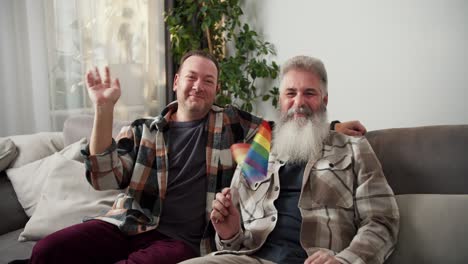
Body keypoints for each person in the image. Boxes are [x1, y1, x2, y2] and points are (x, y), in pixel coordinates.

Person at [27, 51, 366, 264]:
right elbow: (102, 176)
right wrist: (103, 108)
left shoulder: (231, 122)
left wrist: (331, 125)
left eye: (208, 81)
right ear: (176, 82)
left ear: (215, 90)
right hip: (128, 225)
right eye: (191, 77)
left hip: (185, 242)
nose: (198, 86)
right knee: (47, 251)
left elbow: (285, 126)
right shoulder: (144, 129)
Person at [181, 55, 399, 264]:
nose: (298, 102)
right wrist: (229, 233)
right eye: (291, 93)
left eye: (309, 93)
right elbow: (234, 243)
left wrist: (344, 260)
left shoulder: (353, 148)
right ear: (280, 100)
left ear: (325, 100)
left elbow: (381, 221)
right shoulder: (257, 153)